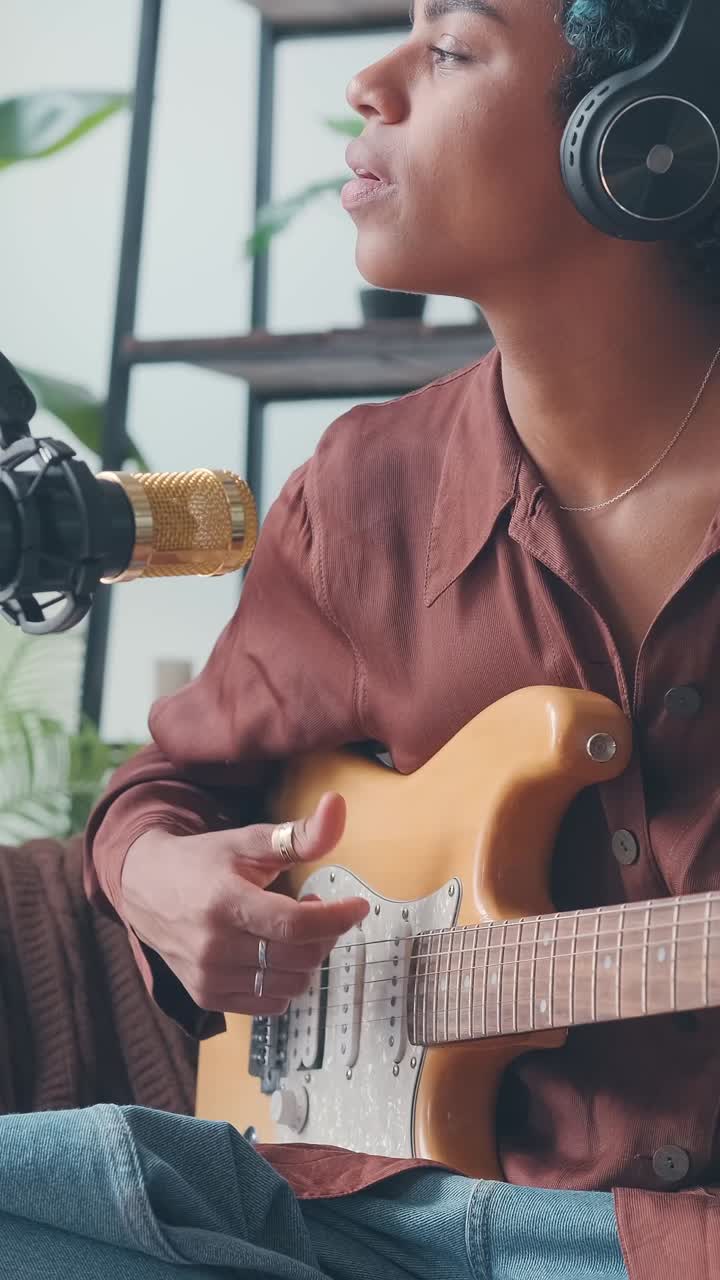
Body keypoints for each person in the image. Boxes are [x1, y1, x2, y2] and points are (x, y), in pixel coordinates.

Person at [4, 0, 720, 1276]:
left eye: (449, 48)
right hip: (377, 1210)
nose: (368, 85)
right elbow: (165, 788)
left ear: (642, 136)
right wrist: (158, 879)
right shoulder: (360, 490)